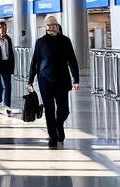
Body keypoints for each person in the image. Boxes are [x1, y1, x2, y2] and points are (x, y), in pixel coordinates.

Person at [27, 15, 81, 148]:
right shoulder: (40, 42)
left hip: (62, 79)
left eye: (54, 25)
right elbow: (34, 62)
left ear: (57, 26)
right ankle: (52, 136)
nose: (52, 27)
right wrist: (30, 80)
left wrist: (76, 79)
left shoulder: (65, 41)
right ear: (46, 28)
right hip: (44, 80)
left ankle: (59, 124)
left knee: (64, 109)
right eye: (49, 25)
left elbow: (72, 61)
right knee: (49, 109)